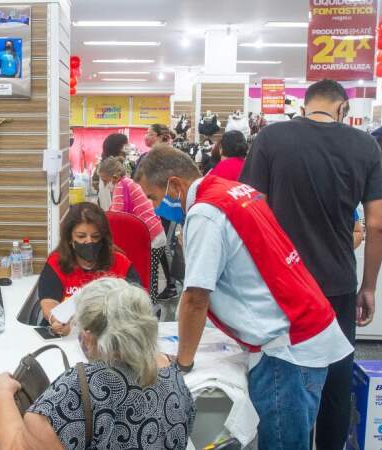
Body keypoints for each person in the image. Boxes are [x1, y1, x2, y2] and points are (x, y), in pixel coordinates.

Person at [136, 146, 353, 450]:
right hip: (305, 326)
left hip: (286, 347)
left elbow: (196, 297)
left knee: (282, 443)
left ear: (174, 185)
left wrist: (183, 363)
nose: (156, 207)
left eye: (154, 197)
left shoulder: (206, 212)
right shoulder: (233, 190)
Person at [240, 79, 382, 450]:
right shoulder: (364, 144)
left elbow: (251, 211)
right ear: (342, 110)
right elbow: (374, 224)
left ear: (304, 106)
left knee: (288, 385)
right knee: (336, 384)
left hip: (282, 287)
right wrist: (368, 286)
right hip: (337, 285)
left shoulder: (272, 139)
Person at [0, 277, 196, 450]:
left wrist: (1, 395)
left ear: (89, 336)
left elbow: (16, 446)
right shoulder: (173, 374)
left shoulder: (78, 389)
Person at [37, 202, 140, 336]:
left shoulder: (120, 263)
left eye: (96, 236)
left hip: (108, 337)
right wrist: (56, 320)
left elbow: (137, 304)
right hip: (69, 337)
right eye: (81, 236)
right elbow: (49, 301)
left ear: (103, 238)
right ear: (69, 238)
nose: (89, 241)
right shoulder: (57, 263)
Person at [99, 156, 170, 302]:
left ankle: (148, 308)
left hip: (152, 238)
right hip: (156, 235)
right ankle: (150, 306)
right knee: (150, 278)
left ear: (113, 177)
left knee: (147, 280)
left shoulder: (121, 186)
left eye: (105, 181)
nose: (105, 184)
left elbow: (116, 215)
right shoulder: (128, 182)